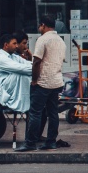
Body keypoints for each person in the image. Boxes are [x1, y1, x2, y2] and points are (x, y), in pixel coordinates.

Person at [16, 16, 66, 152]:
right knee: (53, 113)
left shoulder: (42, 39)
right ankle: (51, 142)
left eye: (40, 26)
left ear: (43, 25)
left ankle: (30, 143)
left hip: (43, 82)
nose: (39, 29)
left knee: (35, 113)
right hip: (56, 81)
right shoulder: (61, 41)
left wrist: (34, 80)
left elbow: (37, 62)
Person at [0, 33, 33, 113]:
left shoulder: (13, 56)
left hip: (10, 90)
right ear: (6, 45)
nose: (17, 46)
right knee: (20, 73)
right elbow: (22, 68)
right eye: (14, 43)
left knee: (24, 72)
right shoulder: (1, 58)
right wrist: (38, 68)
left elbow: (28, 65)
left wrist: (36, 64)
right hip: (2, 93)